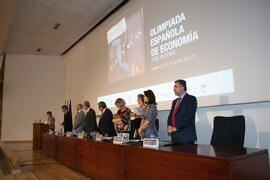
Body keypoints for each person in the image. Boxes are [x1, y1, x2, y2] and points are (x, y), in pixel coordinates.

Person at [167, 79, 197, 144]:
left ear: (182, 87)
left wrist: (177, 127)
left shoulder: (191, 99)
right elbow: (171, 116)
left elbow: (189, 116)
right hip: (175, 136)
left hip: (186, 136)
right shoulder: (174, 101)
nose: (174, 89)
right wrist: (169, 126)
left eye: (176, 86)